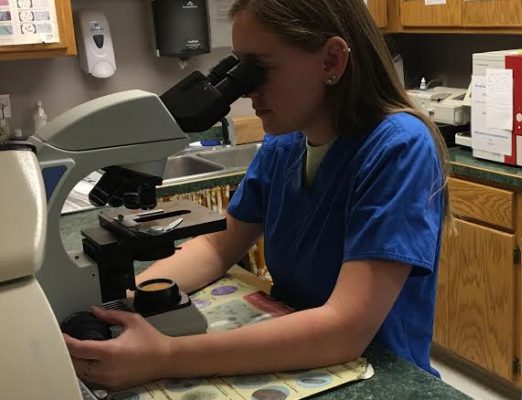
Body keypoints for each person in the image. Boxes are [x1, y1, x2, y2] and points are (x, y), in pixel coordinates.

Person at [64, 0, 453, 390]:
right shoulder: (284, 143)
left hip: (379, 379)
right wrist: (125, 305)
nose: (246, 91)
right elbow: (218, 246)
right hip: (294, 362)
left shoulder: (399, 148)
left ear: (331, 61)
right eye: (237, 70)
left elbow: (344, 329)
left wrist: (163, 356)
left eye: (259, 69)